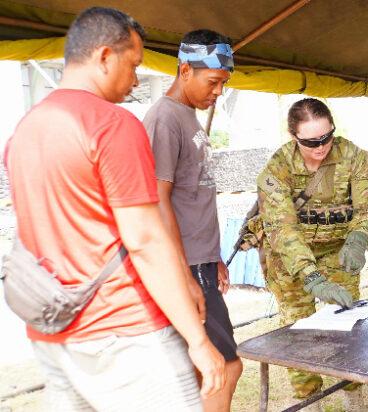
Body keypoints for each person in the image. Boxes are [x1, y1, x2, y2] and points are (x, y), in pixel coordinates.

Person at [4, 7, 225, 411]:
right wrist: (197, 340)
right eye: (134, 64)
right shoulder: (112, 124)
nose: (136, 79)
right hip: (124, 333)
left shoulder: (26, 128)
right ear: (105, 56)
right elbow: (143, 239)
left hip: (54, 330)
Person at [256, 98, 368, 408]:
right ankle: (311, 402)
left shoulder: (356, 158)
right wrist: (311, 276)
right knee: (298, 333)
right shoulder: (278, 168)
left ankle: (354, 398)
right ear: (293, 135)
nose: (321, 146)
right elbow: (282, 230)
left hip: (338, 249)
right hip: (289, 259)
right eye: (311, 141)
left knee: (349, 325)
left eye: (327, 137)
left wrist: (358, 239)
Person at [143, 29, 243, 411]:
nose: (218, 92)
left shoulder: (186, 116)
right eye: (214, 82)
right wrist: (183, 275)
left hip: (200, 261)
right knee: (225, 367)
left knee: (202, 371)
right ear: (185, 70)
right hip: (185, 267)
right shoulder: (165, 119)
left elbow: (192, 195)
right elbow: (158, 200)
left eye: (223, 84)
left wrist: (213, 255)